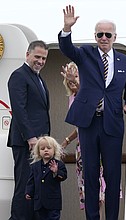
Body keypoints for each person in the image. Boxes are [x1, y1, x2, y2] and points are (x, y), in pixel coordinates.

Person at [58, 5, 126, 220]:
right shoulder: (86, 53)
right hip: (89, 123)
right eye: (100, 34)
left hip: (112, 124)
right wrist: (67, 28)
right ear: (95, 36)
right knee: (91, 176)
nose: (104, 38)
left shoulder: (125, 61)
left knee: (113, 177)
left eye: (107, 34)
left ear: (114, 36)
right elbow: (67, 49)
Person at [7, 40, 50, 220]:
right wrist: (31, 137)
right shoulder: (19, 75)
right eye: (37, 57)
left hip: (39, 143)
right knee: (24, 186)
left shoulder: (38, 78)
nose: (40, 61)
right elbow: (19, 109)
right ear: (27, 54)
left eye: (44, 58)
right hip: (26, 142)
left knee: (34, 188)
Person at [60, 62, 106, 218]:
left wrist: (80, 86)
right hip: (82, 148)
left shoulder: (92, 91)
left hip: (97, 146)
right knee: (88, 193)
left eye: (76, 78)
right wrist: (67, 141)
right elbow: (81, 124)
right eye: (70, 81)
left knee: (99, 193)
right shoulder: (73, 97)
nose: (72, 83)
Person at [25, 136, 67, 220]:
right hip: (39, 202)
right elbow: (31, 180)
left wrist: (56, 171)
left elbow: (64, 176)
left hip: (53, 202)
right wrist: (28, 191)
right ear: (38, 151)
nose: (46, 150)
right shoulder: (34, 166)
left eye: (49, 148)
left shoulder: (59, 164)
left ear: (54, 150)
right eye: (42, 148)